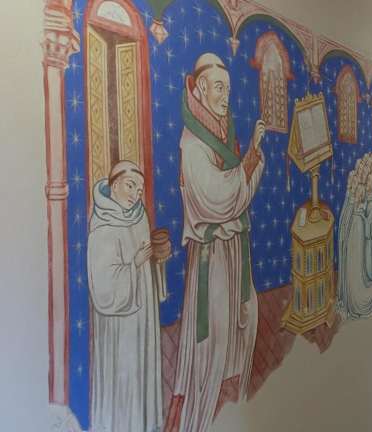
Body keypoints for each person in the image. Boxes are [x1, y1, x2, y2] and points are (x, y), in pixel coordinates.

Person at [169, 52, 266, 432]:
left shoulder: (225, 132)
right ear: (200, 89)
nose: (226, 96)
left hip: (233, 248)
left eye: (228, 89)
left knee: (247, 315)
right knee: (216, 332)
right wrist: (248, 163)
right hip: (212, 255)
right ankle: (208, 400)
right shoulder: (193, 143)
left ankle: (233, 388)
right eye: (219, 88)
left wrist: (252, 154)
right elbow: (217, 196)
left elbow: (239, 196)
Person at [87, 160, 164, 432]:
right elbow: (103, 285)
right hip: (118, 323)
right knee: (124, 373)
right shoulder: (102, 226)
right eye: (130, 186)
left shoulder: (139, 216)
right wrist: (135, 264)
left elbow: (147, 262)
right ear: (114, 184)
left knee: (141, 369)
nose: (135, 194)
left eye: (140, 190)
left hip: (142, 315)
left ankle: (144, 422)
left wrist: (156, 258)